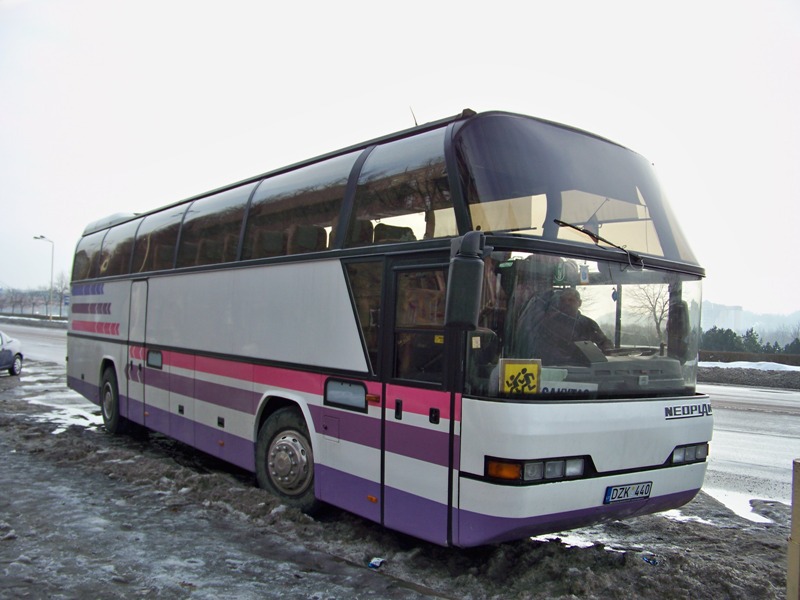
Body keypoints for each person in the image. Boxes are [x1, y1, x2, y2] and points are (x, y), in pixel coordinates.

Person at [537, 288, 613, 364]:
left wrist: (606, 349)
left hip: (582, 370)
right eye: (563, 300)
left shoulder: (588, 324)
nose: (567, 303)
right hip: (553, 368)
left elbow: (604, 343)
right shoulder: (549, 322)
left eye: (571, 300)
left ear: (579, 303)